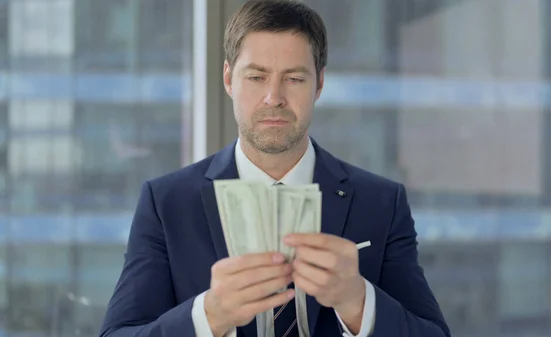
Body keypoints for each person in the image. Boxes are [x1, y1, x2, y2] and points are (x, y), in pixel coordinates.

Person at [99, 1, 451, 336]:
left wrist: (358, 301)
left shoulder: (381, 203)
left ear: (320, 84)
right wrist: (210, 316)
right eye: (256, 77)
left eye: (294, 79)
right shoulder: (166, 203)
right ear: (228, 79)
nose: (273, 97)